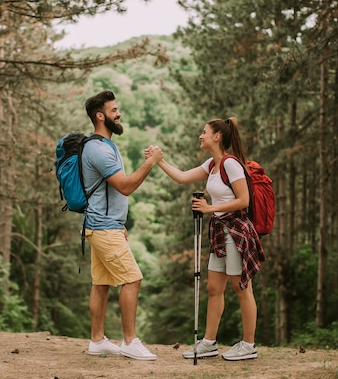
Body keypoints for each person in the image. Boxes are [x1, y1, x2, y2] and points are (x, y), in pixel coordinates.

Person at [146, 117, 265, 361]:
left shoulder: (230, 164)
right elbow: (181, 177)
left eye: (204, 132)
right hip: (220, 231)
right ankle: (209, 343)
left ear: (217, 136)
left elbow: (244, 201)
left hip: (236, 231)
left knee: (241, 287)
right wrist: (159, 161)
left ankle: (249, 344)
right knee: (214, 288)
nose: (201, 136)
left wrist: (209, 209)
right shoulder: (212, 164)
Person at [82, 90, 163, 361]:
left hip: (105, 225)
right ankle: (129, 341)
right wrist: (152, 161)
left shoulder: (108, 146)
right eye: (114, 110)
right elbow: (125, 187)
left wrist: (120, 223)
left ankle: (97, 340)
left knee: (102, 282)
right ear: (100, 115)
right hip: (103, 227)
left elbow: (112, 192)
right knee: (132, 278)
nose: (119, 114)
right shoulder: (97, 149)